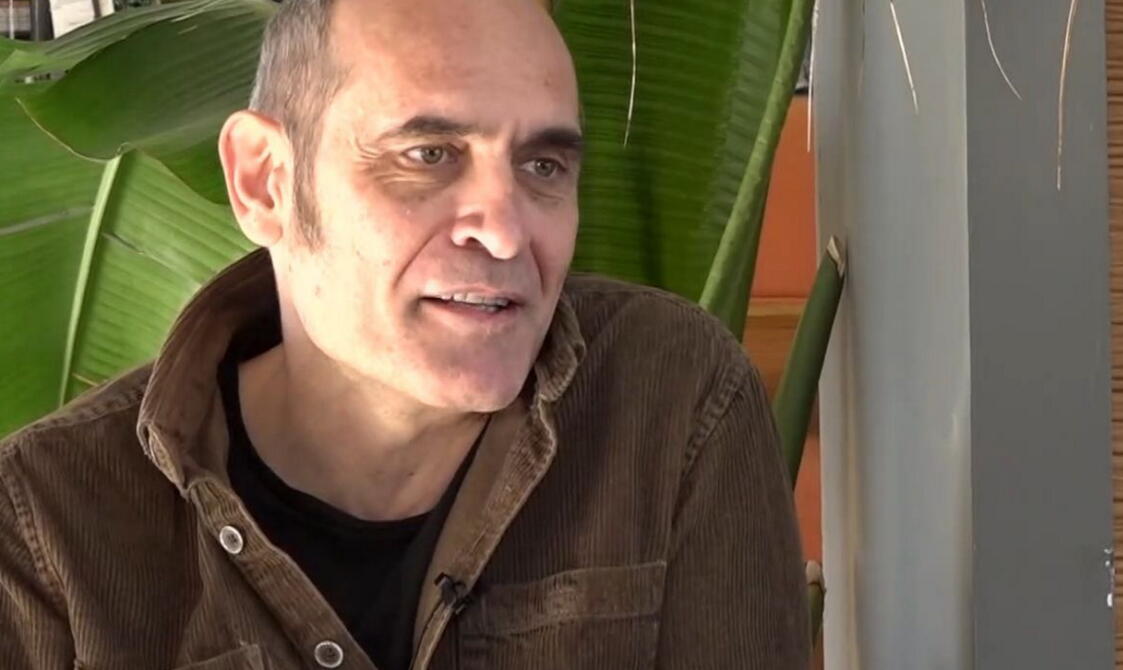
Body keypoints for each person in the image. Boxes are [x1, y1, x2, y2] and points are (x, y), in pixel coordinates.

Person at [0, 0, 810, 667]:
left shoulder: (671, 399)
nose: (505, 232)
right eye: (428, 155)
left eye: (542, 167)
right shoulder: (49, 522)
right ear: (266, 182)